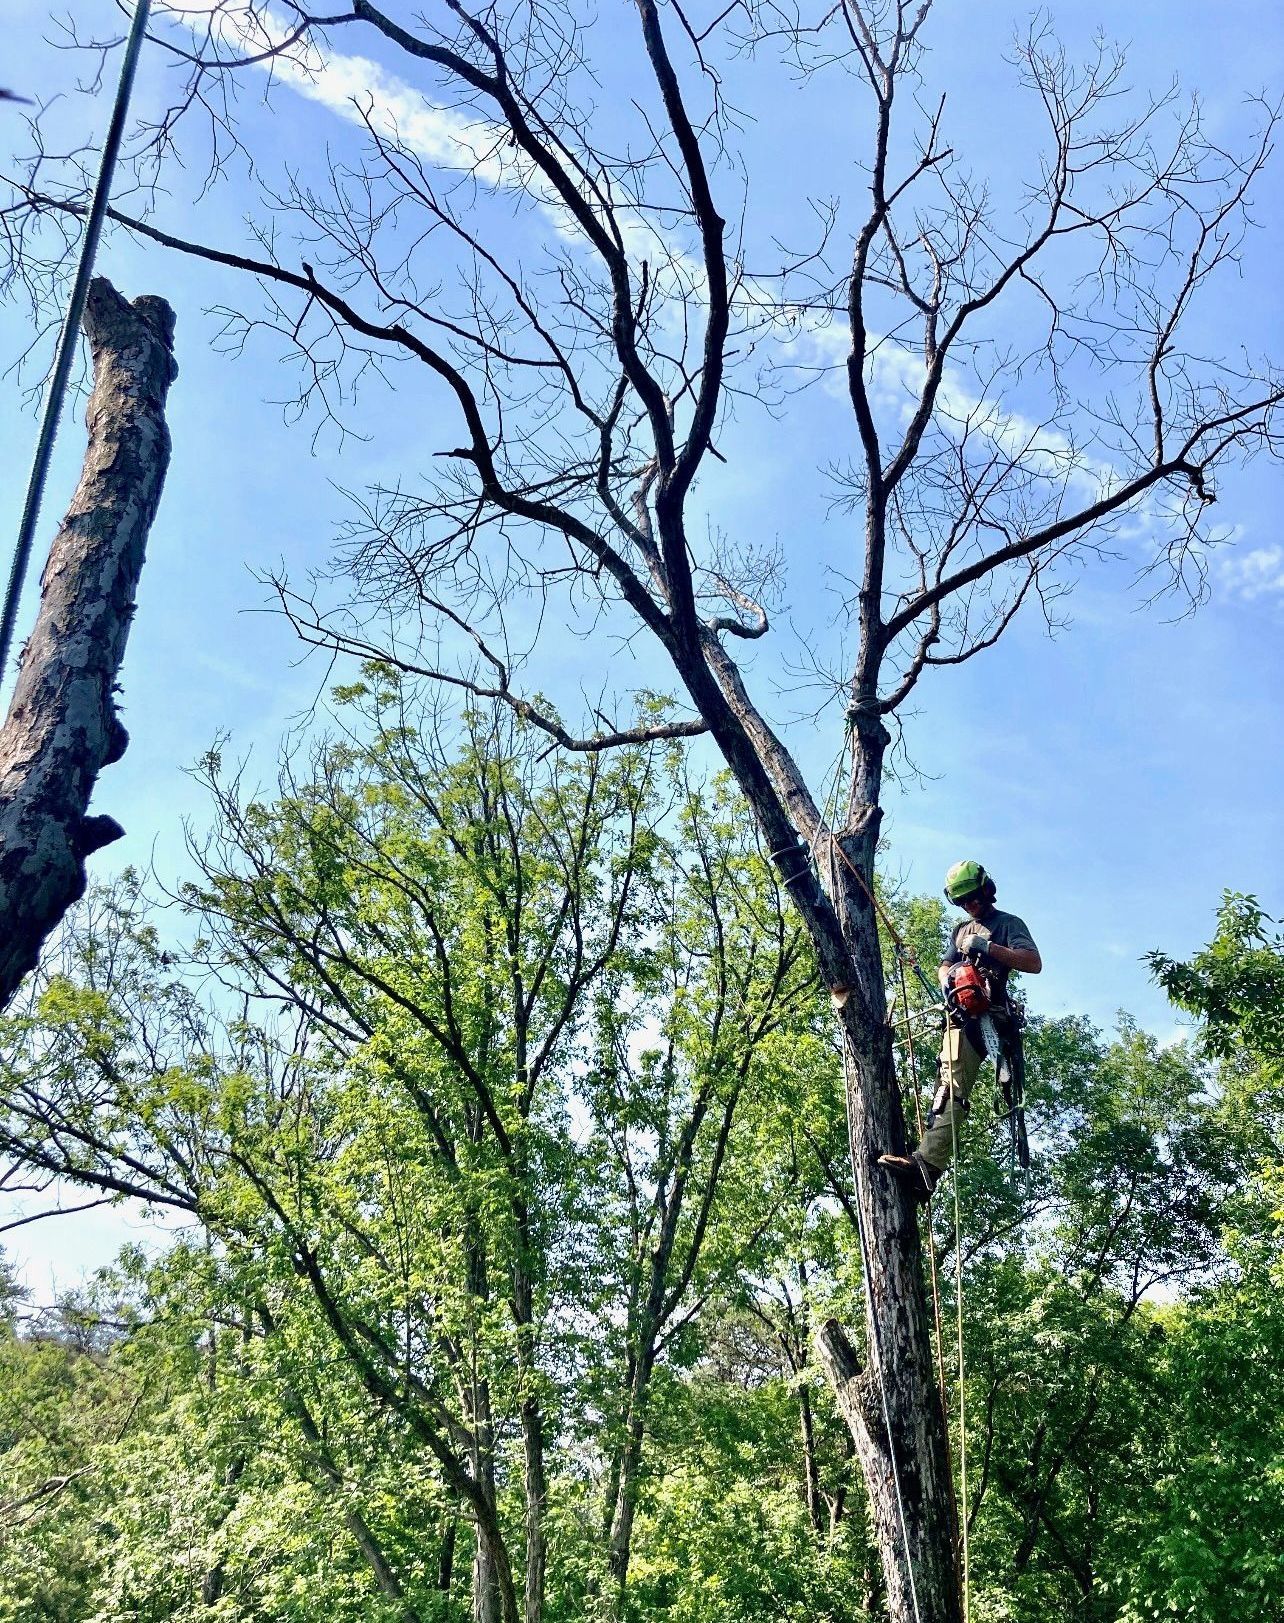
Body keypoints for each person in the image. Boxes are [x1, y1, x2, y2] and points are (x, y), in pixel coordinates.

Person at [879, 859, 1041, 1201]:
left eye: (973, 898)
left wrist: (990, 949)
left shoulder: (1007, 924)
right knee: (942, 1091)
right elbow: (946, 964)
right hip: (959, 1015)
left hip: (990, 1018)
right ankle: (927, 1174)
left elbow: (1033, 962)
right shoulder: (960, 931)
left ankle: (925, 1164)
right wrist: (948, 980)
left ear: (987, 890)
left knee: (952, 1090)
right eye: (962, 902)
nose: (970, 906)